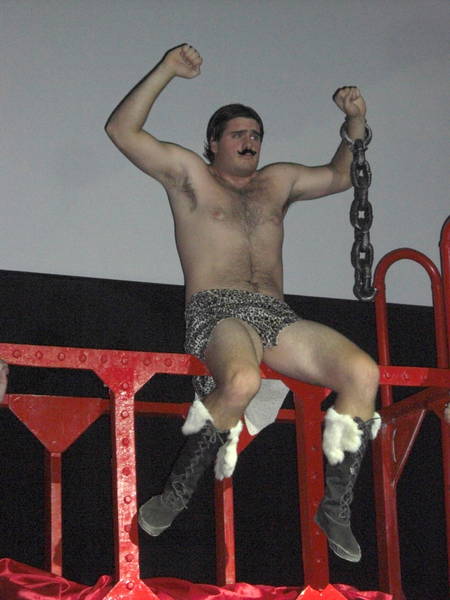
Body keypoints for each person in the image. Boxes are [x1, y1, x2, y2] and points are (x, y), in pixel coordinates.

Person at [105, 43, 381, 563]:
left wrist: (355, 123)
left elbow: (342, 174)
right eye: (238, 134)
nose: (250, 141)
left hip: (277, 314)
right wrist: (167, 69)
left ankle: (336, 508)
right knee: (241, 381)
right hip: (216, 308)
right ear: (214, 142)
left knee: (364, 373)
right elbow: (122, 131)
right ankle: (176, 494)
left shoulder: (277, 182)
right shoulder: (190, 175)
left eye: (255, 134)